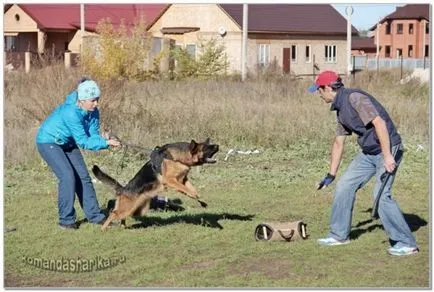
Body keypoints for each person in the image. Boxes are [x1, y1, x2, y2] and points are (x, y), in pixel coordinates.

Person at [309, 70, 418, 256]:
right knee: (344, 186)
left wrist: (388, 156)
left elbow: (380, 123)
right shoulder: (340, 109)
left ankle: (406, 243)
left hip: (388, 149)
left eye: (319, 90)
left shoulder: (354, 98)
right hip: (368, 153)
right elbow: (338, 141)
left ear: (327, 88)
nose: (318, 95)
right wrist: (331, 175)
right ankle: (339, 235)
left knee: (381, 195)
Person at [36, 78, 121, 230]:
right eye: (93, 100)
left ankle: (96, 216)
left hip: (68, 142)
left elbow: (92, 135)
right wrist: (106, 144)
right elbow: (83, 142)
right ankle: (66, 221)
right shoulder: (71, 113)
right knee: (67, 176)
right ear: (82, 100)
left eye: (97, 100)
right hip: (48, 142)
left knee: (83, 176)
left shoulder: (93, 112)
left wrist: (104, 140)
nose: (96, 104)